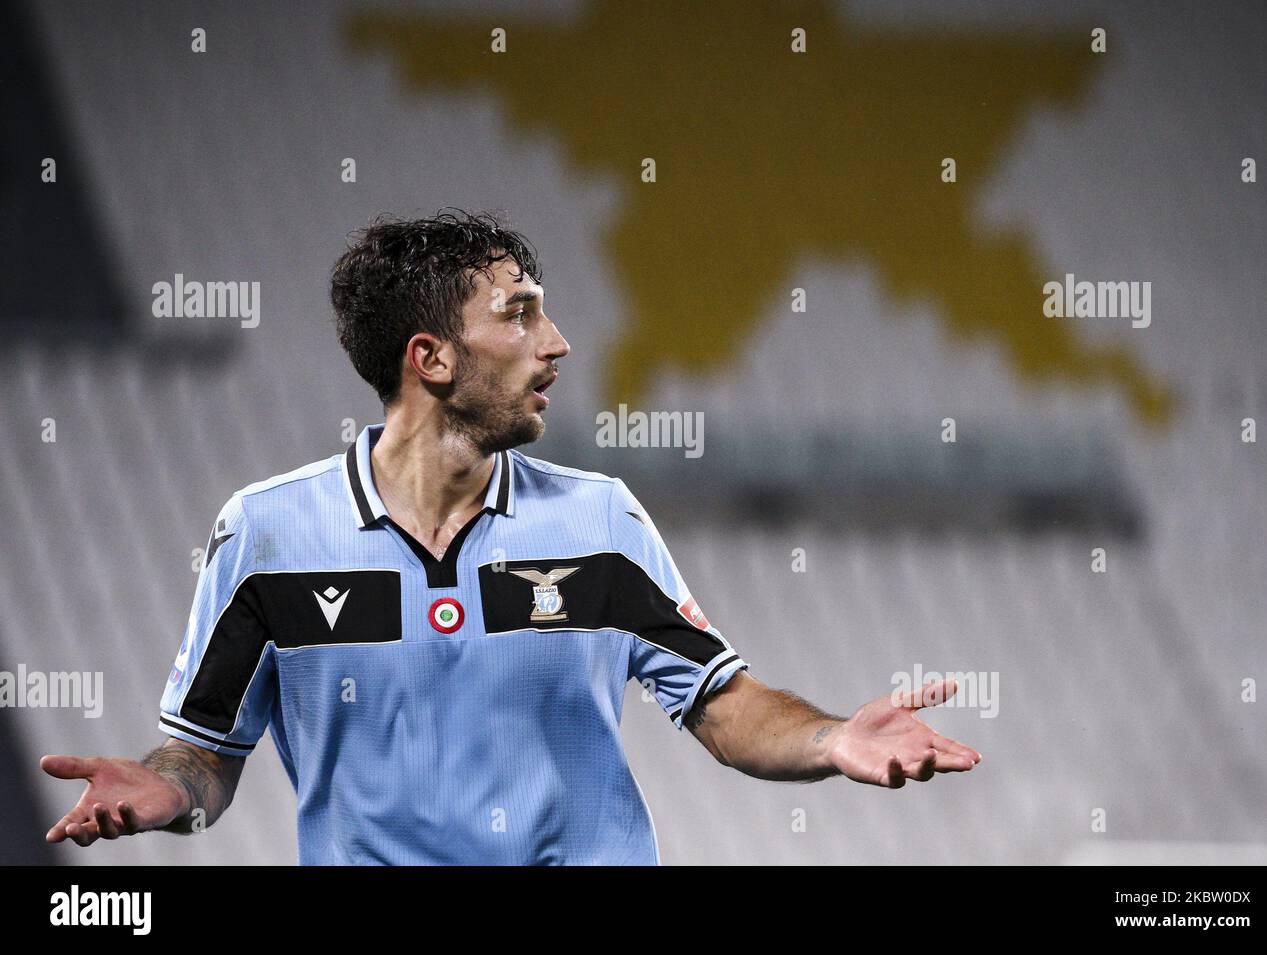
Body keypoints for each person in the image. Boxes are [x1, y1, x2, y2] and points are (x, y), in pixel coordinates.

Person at [41, 209, 981, 864]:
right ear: (432, 358)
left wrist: (830, 737)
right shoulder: (268, 533)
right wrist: (166, 790)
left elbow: (721, 703)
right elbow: (205, 754)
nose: (558, 341)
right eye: (520, 313)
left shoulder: (599, 520)